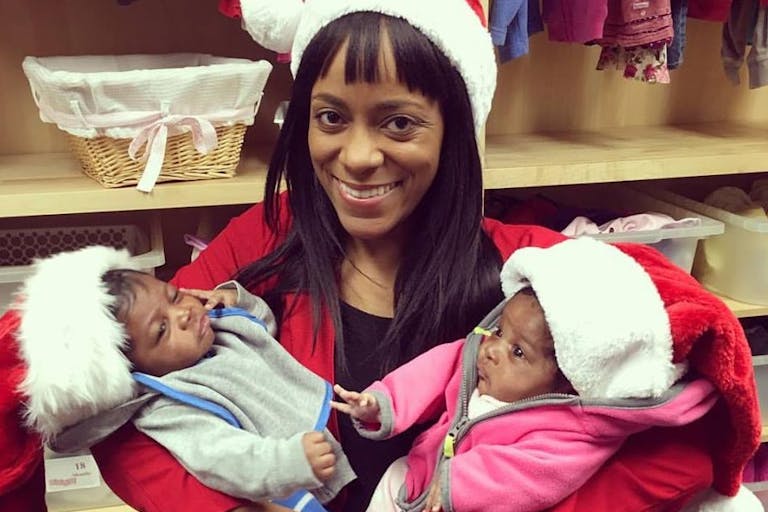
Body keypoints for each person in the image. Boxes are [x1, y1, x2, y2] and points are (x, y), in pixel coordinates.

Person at [3, 0, 751, 510]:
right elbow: (110, 396)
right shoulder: (262, 244)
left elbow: (696, 399)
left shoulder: (524, 277)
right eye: (330, 117)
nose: (357, 156)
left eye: (398, 122)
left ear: (453, 132)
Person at [331, 237, 730, 512]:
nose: (492, 350)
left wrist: (460, 487)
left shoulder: (572, 431)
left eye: (518, 351)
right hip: (422, 474)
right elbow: (434, 371)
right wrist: (382, 402)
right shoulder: (480, 358)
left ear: (565, 381)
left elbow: (531, 475)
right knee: (395, 473)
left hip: (477, 499)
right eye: (499, 330)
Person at [15, 245, 356, 511]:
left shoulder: (212, 330)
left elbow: (261, 331)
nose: (184, 313)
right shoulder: (170, 408)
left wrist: (237, 301)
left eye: (174, 295)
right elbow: (222, 459)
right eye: (161, 330)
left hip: (334, 446)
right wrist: (287, 463)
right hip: (297, 485)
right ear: (131, 373)